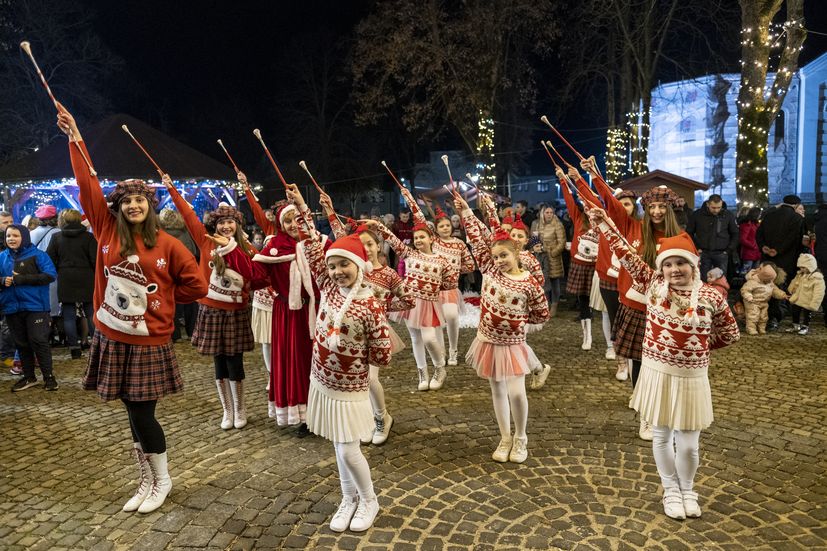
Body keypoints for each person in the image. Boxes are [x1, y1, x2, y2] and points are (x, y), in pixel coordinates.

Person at [58, 105, 207, 514]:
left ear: (149, 204)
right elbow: (87, 181)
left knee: (144, 414)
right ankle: (146, 478)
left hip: (147, 341)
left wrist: (162, 298)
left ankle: (162, 478)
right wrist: (75, 137)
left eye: (141, 199)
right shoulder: (106, 230)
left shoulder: (169, 244)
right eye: (128, 201)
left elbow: (198, 285)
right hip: (111, 335)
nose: (134, 205)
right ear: (119, 207)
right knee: (130, 411)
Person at [589, 208, 739, 520]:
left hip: (692, 378)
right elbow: (625, 252)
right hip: (657, 373)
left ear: (694, 264)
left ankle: (687, 489)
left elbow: (730, 333)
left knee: (688, 446)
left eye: (681, 262)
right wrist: (603, 221)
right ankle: (670, 489)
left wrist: (698, 348)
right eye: (668, 263)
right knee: (660, 436)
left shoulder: (712, 296)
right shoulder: (654, 285)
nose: (674, 269)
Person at [287, 184, 391, 532]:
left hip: (351, 388)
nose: (336, 271)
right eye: (332, 266)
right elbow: (315, 246)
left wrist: (360, 360)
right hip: (322, 380)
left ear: (359, 266)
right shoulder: (329, 287)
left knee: (349, 449)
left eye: (344, 264)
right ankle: (348, 497)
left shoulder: (371, 303)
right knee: (336, 444)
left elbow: (383, 352)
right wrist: (303, 207)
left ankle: (370, 500)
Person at [455, 193, 549, 463]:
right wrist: (466, 213)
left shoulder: (529, 282)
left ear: (516, 252)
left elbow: (541, 312)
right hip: (488, 341)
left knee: (517, 392)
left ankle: (521, 436)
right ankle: (504, 436)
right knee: (497, 389)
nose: (499, 260)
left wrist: (517, 322)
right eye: (495, 256)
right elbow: (476, 237)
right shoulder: (490, 270)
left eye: (504, 255)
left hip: (513, 345)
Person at [167, 182, 266, 431]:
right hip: (210, 310)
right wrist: (172, 190)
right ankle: (227, 410)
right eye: (221, 222)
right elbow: (188, 215)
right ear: (215, 225)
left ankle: (240, 408)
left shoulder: (247, 249)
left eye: (230, 222)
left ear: (238, 225)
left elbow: (259, 276)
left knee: (235, 362)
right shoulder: (206, 241)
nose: (225, 226)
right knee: (218, 362)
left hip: (235, 312)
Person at [321, 191, 413, 445]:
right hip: (349, 332)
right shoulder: (351, 270)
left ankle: (382, 417)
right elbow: (340, 237)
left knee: (370, 378)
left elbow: (409, 300)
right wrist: (329, 209)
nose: (367, 249)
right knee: (354, 380)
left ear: (378, 245)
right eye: (362, 246)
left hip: (375, 333)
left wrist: (383, 306)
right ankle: (365, 420)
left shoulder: (389, 274)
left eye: (371, 244)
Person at [253, 196, 328, 434]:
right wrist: (232, 252)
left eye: (297, 219)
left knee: (322, 360)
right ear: (280, 225)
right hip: (289, 314)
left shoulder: (318, 243)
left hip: (319, 311)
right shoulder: (275, 247)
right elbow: (255, 275)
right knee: (296, 362)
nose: (293, 225)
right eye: (287, 221)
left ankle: (325, 412)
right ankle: (305, 415)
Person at [369, 216, 455, 392]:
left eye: (422, 237)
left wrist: (434, 289)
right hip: (411, 303)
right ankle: (422, 373)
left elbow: (449, 282)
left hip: (429, 304)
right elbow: (393, 241)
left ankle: (439, 368)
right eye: (416, 238)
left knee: (429, 338)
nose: (418, 240)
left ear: (431, 238)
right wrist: (379, 226)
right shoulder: (410, 254)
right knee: (415, 338)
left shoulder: (442, 261)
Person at [403, 189, 474, 370]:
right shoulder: (433, 241)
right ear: (436, 228)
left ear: (451, 226)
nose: (445, 228)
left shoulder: (459, 243)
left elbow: (470, 265)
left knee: (450, 316)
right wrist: (409, 198)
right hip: (432, 289)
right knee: (436, 323)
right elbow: (420, 218)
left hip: (450, 288)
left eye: (448, 225)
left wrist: (454, 272)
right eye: (441, 226)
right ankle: (441, 352)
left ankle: (454, 349)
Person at [1, 224, 58, 391]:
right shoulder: (2, 257)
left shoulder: (38, 255)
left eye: (15, 236)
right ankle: (29, 377)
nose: (11, 239)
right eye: (8, 236)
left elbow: (50, 275)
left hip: (36, 306)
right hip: (11, 307)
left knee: (38, 341)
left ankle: (49, 378)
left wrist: (22, 279)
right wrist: (2, 280)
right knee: (21, 344)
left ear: (24, 237)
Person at [46, 208, 97, 359]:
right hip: (87, 277)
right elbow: (95, 260)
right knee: (91, 314)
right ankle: (96, 346)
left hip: (65, 277)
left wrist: (59, 271)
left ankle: (74, 348)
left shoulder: (56, 237)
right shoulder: (89, 237)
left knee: (68, 316)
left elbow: (50, 260)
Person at [560, 166, 599, 351]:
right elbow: (569, 200)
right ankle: (587, 336)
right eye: (583, 203)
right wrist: (562, 179)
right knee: (583, 302)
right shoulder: (578, 217)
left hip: (598, 266)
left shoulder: (603, 221)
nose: (586, 206)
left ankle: (611, 342)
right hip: (580, 265)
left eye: (588, 203)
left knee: (604, 304)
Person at [756, 195, 806, 329]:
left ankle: (763, 315)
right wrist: (778, 250)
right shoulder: (797, 218)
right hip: (787, 259)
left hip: (768, 260)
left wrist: (764, 247)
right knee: (781, 288)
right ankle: (774, 317)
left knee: (766, 286)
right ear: (796, 206)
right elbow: (794, 239)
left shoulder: (769, 215)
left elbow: (758, 234)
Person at [158, 208, 199, 342]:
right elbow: (194, 251)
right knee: (190, 304)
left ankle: (175, 335)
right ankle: (192, 331)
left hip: (167, 272)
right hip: (186, 271)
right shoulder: (185, 232)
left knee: (172, 304)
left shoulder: (160, 233)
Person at [685, 195, 739, 279]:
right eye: (713, 207)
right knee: (703, 279)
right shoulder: (697, 215)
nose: (716, 210)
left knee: (721, 280)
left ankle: (721, 292)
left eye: (719, 207)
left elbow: (735, 233)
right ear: (708, 204)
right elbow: (689, 233)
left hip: (722, 253)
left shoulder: (728, 215)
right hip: (703, 252)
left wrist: (729, 250)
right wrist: (696, 248)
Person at [530, 205, 566, 317]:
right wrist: (535, 244)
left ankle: (554, 305)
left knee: (555, 282)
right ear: (542, 213)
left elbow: (562, 242)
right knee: (543, 281)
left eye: (551, 212)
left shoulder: (558, 224)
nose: (549, 214)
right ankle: (546, 304)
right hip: (541, 257)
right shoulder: (537, 224)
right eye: (547, 212)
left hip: (553, 258)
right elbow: (533, 240)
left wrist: (553, 252)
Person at [741, 262, 788, 335]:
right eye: (768, 280)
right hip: (753, 302)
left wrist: (783, 295)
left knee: (764, 317)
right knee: (753, 316)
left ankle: (761, 328)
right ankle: (751, 329)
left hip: (764, 302)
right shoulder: (752, 281)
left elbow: (775, 290)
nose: (769, 282)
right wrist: (748, 296)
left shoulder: (770, 282)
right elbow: (745, 290)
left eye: (770, 280)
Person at [787, 253, 825, 335]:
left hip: (808, 300)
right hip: (797, 298)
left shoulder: (817, 278)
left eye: (804, 267)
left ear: (811, 266)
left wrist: (814, 303)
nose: (802, 269)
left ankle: (805, 326)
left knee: (807, 314)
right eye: (800, 267)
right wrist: (791, 289)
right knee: (795, 312)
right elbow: (794, 282)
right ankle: (796, 325)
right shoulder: (800, 275)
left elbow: (819, 292)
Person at [0, 211, 17, 371]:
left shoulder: (12, 241)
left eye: (11, 221)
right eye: (5, 222)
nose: (9, 224)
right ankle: (5, 355)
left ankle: (7, 356)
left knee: (8, 325)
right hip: (3, 287)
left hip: (9, 291)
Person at [738, 207, 762, 274]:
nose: (760, 216)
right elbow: (742, 239)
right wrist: (754, 245)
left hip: (756, 253)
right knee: (746, 273)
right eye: (759, 214)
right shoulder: (747, 225)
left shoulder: (755, 224)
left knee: (755, 273)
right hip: (749, 253)